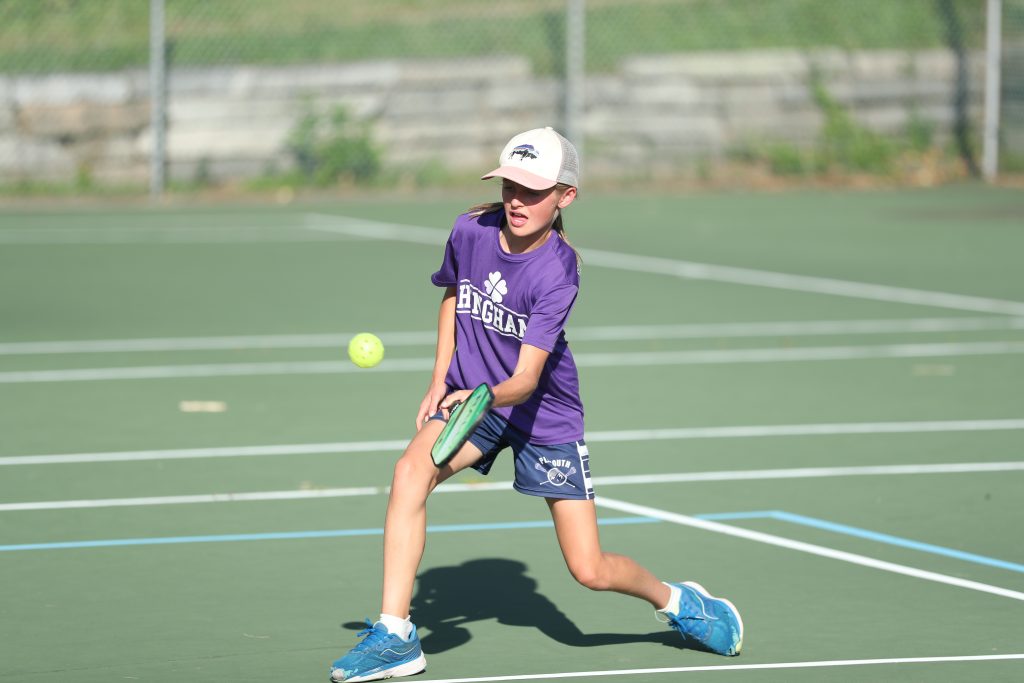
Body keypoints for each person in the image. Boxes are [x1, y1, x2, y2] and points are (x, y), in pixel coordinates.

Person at [329, 127, 743, 682]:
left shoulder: (558, 269)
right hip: (474, 400)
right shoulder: (470, 229)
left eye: (532, 190)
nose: (517, 201)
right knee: (409, 474)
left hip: (540, 414)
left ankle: (677, 602)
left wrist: (477, 396)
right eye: (509, 187)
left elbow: (525, 379)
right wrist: (438, 381)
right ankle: (396, 634)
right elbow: (454, 295)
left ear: (565, 196)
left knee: (589, 569)